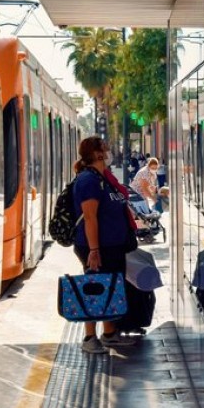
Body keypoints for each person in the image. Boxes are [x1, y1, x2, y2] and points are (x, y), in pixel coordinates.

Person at [72, 136, 136, 353]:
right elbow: (90, 217)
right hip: (98, 247)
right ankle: (89, 338)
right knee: (94, 288)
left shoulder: (104, 177)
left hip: (112, 245)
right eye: (104, 147)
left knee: (110, 289)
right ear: (97, 153)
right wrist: (94, 250)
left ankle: (109, 334)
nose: (108, 149)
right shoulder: (88, 181)